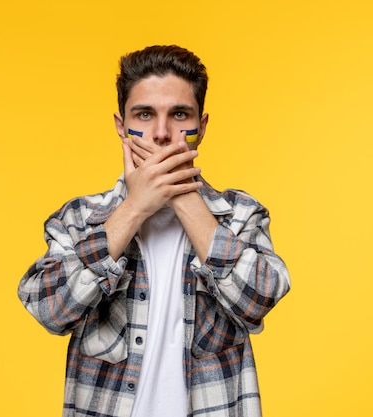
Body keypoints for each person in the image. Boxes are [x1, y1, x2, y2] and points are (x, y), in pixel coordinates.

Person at [18, 45, 290, 417]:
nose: (162, 134)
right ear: (120, 126)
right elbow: (48, 309)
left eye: (179, 114)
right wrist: (135, 208)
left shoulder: (239, 216)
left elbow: (260, 299)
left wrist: (184, 198)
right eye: (144, 115)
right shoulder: (79, 219)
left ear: (202, 127)